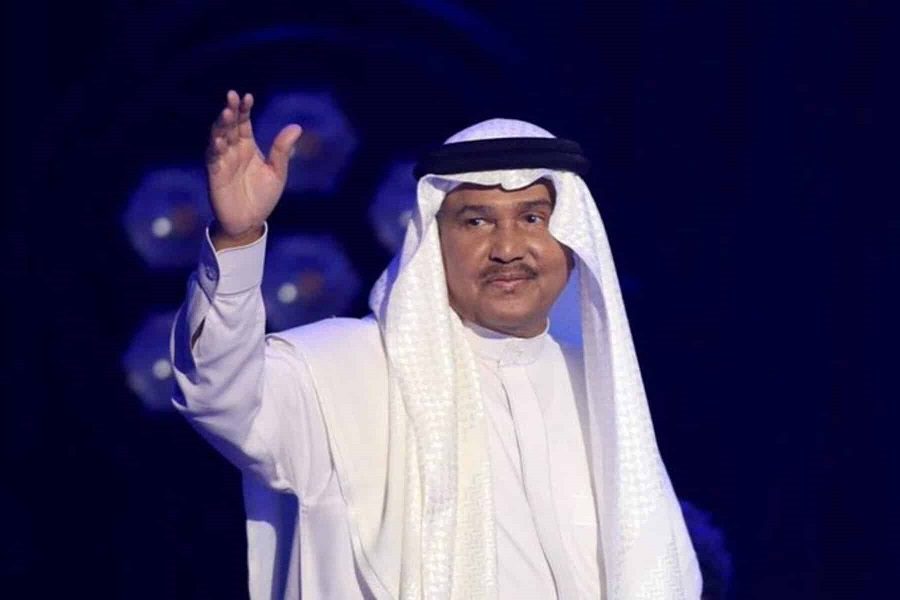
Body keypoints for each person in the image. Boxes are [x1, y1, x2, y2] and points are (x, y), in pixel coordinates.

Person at [171, 90, 702, 599]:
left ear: (571, 238)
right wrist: (238, 240)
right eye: (476, 221)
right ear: (433, 241)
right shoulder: (343, 369)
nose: (508, 248)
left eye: (533, 218)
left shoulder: (598, 392)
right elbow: (221, 395)